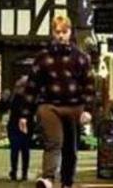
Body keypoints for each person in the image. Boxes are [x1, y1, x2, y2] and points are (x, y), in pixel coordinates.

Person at [19, 15, 95, 188]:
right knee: (53, 142)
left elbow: (89, 85)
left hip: (74, 106)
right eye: (57, 32)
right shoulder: (43, 57)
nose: (61, 35)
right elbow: (32, 86)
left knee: (70, 147)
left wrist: (88, 110)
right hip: (49, 105)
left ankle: (67, 181)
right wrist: (25, 115)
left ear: (70, 32)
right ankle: (48, 179)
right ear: (53, 33)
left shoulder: (80, 57)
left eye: (64, 32)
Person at [5, 76, 32, 181]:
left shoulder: (27, 98)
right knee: (16, 150)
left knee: (23, 150)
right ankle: (15, 172)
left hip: (24, 127)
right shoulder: (14, 98)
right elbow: (4, 107)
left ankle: (22, 172)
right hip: (15, 127)